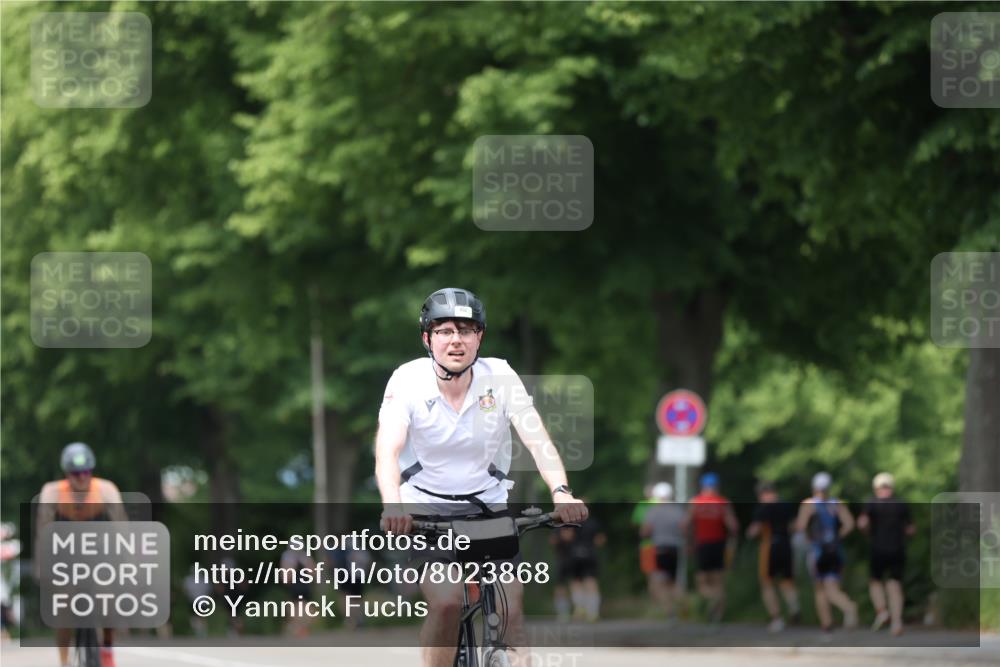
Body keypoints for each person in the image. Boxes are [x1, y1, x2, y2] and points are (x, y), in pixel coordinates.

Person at [375, 287, 587, 667]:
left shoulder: (500, 376)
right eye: (444, 330)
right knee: (446, 603)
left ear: (480, 337)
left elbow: (536, 439)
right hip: (426, 511)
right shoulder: (406, 380)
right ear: (427, 338)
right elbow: (387, 450)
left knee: (511, 613)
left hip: (487, 506)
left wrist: (562, 493)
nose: (456, 340)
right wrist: (393, 504)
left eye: (466, 330)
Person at [35, 443, 126, 667]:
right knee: (62, 608)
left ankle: (107, 648)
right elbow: (43, 533)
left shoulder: (107, 490)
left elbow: (122, 530)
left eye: (86, 472)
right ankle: (64, 661)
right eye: (76, 474)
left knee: (108, 599)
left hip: (99, 549)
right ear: (67, 474)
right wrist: (43, 569)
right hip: (65, 552)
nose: (82, 478)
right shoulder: (52, 492)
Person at [795, 471, 858, 635]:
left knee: (822, 588)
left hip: (818, 551)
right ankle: (827, 623)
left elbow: (801, 526)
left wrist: (811, 539)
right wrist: (837, 536)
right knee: (831, 585)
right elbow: (850, 524)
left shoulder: (809, 504)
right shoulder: (836, 504)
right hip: (835, 550)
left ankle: (847, 608)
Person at [858, 472, 914, 636]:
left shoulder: (872, 503)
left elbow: (862, 523)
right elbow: (910, 529)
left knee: (875, 582)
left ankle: (882, 611)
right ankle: (896, 622)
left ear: (876, 488)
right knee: (894, 585)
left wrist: (866, 530)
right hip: (898, 549)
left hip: (878, 549)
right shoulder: (901, 504)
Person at [746, 481, 800, 632]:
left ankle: (777, 619)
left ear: (762, 494)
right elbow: (795, 526)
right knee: (786, 580)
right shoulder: (786, 505)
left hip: (769, 547)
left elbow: (755, 530)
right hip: (787, 545)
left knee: (767, 584)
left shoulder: (762, 508)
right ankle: (794, 606)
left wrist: (749, 534)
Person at [686, 472, 738, 623]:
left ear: (702, 486)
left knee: (702, 580)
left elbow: (685, 525)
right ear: (717, 486)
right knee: (719, 581)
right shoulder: (723, 502)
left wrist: (689, 542)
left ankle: (712, 598)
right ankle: (718, 616)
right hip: (719, 544)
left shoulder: (696, 502)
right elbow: (733, 526)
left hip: (702, 544)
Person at [640, 482, 686, 623]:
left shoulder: (653, 511)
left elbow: (645, 531)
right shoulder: (678, 510)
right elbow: (684, 528)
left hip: (659, 549)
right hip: (676, 548)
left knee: (659, 582)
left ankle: (670, 612)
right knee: (673, 582)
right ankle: (684, 607)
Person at [551, 510, 605, 622]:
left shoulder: (568, 521)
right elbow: (600, 540)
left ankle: (579, 608)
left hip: (572, 555)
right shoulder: (592, 522)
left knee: (575, 581)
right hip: (590, 554)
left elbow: (566, 536)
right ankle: (592, 611)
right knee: (591, 581)